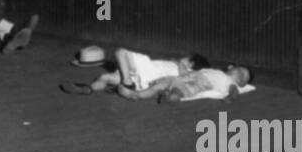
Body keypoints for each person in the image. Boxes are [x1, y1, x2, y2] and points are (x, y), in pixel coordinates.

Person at [60, 49, 208, 98]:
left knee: (120, 52)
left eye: (187, 58)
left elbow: (164, 83)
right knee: (105, 77)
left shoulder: (180, 73)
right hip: (140, 75)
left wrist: (146, 91)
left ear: (190, 64)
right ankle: (88, 89)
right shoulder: (176, 65)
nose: (184, 58)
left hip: (145, 70)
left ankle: (126, 83)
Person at [152, 63, 255, 103]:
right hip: (195, 74)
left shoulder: (230, 82)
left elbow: (234, 91)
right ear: (231, 67)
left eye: (243, 78)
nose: (241, 75)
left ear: (241, 84)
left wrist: (230, 97)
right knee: (173, 79)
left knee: (184, 89)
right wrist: (186, 72)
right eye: (240, 71)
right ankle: (159, 87)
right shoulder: (217, 71)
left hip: (203, 83)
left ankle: (169, 96)